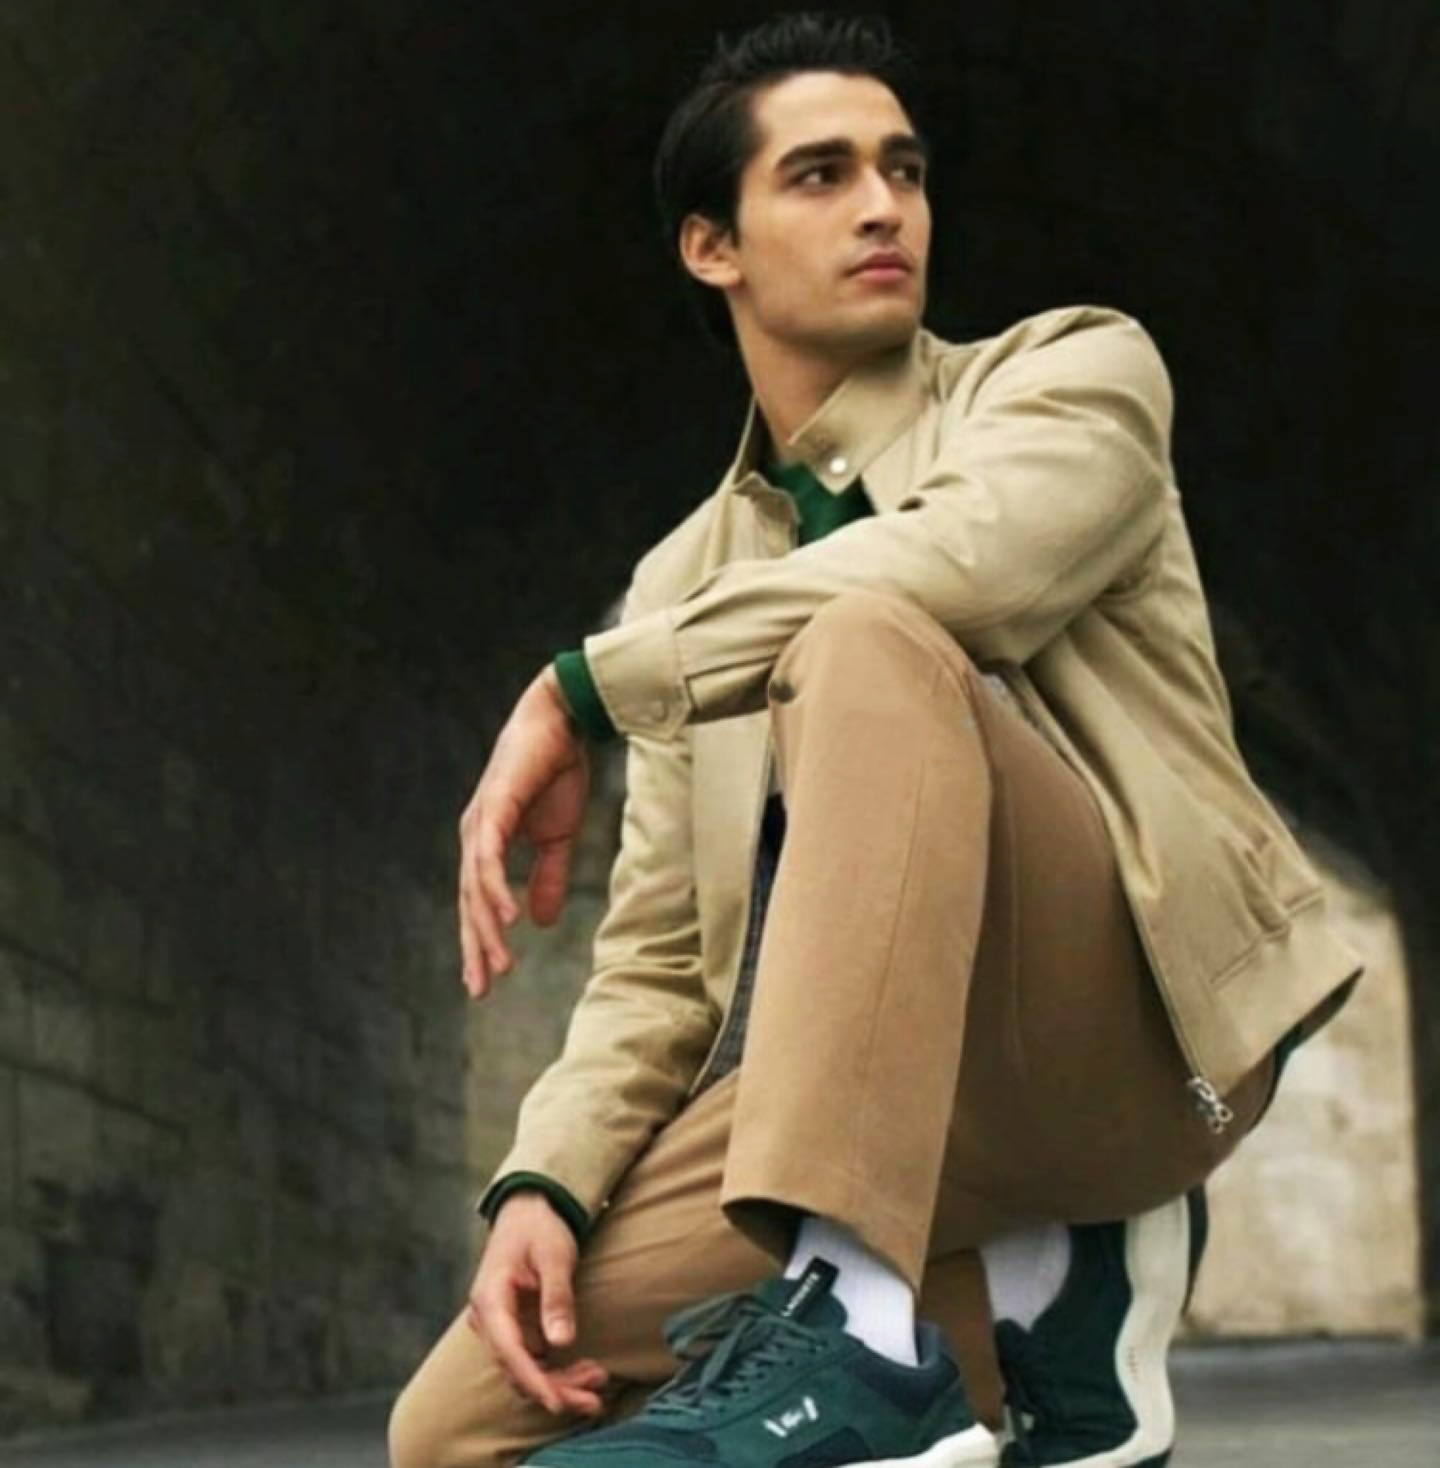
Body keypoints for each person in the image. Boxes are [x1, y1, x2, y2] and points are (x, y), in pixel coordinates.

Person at [388, 13, 1366, 1468]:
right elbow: (659, 962)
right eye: (822, 174)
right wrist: (550, 1182)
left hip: (1119, 1035)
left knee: (860, 641)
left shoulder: (1073, 376)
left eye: (903, 170)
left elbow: (962, 566)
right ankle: (1037, 1308)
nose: (881, 206)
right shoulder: (677, 581)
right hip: (868, 1111)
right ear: (711, 247)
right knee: (455, 1430)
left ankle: (871, 1326)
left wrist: (580, 690)